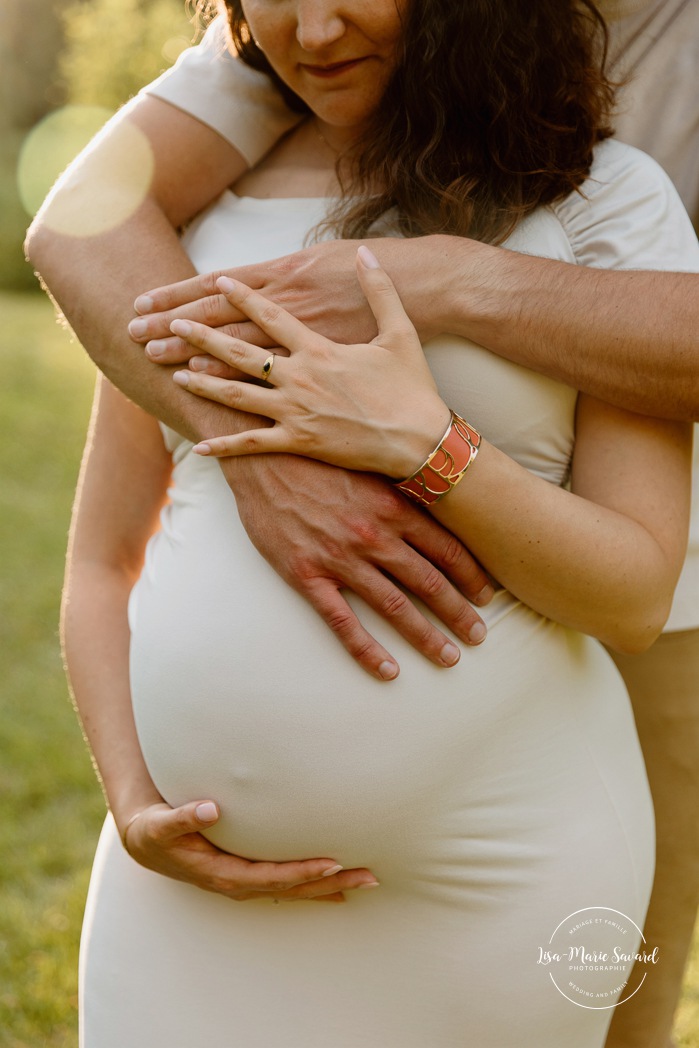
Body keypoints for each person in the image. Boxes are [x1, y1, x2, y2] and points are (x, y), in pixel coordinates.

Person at [49, 0, 699, 1044]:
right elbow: (99, 560)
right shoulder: (186, 217)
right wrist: (129, 794)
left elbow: (631, 595)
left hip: (495, 880)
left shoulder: (602, 201)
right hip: (181, 899)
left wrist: (426, 449)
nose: (313, 32)